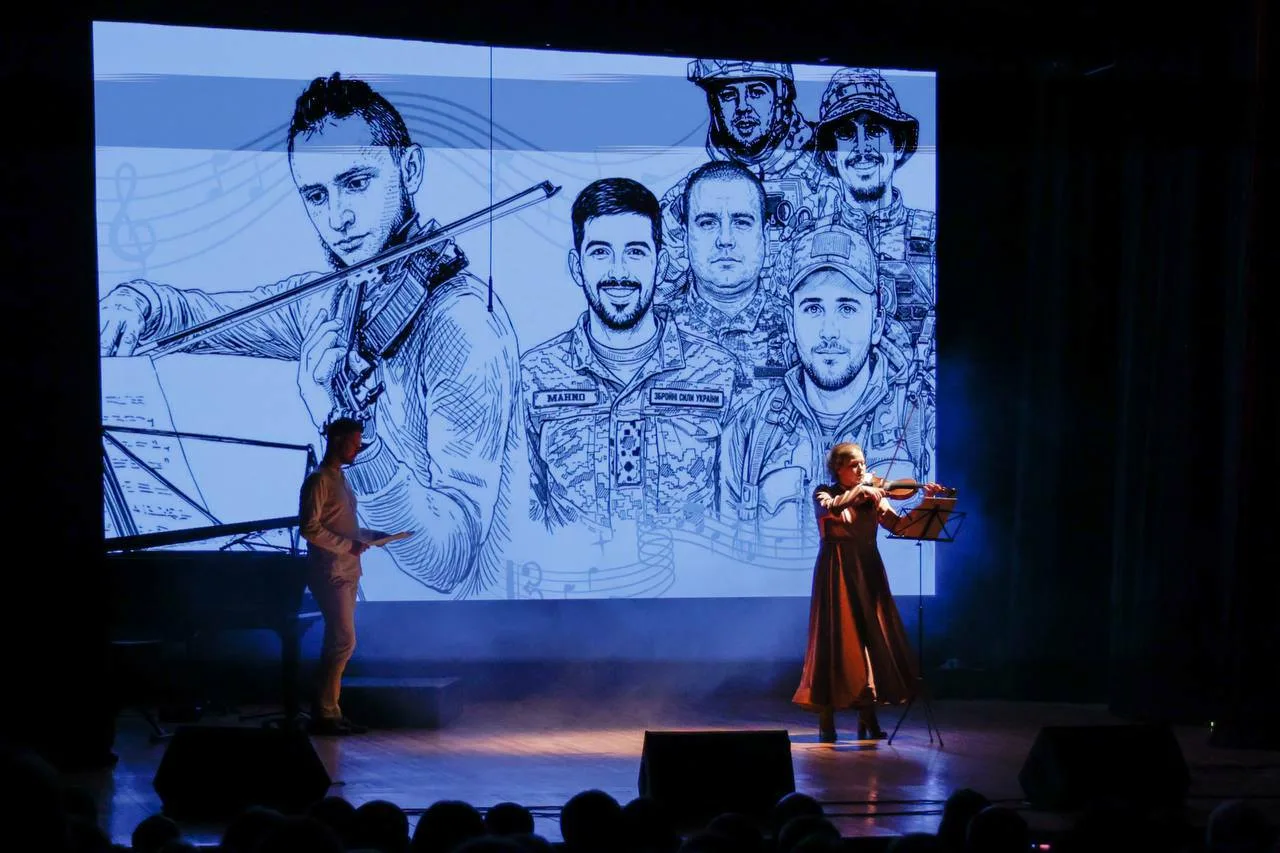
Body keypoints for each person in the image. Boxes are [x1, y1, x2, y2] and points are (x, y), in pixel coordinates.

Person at [97, 72, 520, 600]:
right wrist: (140, 302)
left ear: (410, 168)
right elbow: (215, 315)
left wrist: (356, 440)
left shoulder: (464, 321)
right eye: (317, 195)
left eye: (357, 183)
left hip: (445, 628)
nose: (338, 217)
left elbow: (449, 558)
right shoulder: (339, 298)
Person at [520, 177, 742, 533]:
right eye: (600, 252)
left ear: (661, 264)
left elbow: (737, 514)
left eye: (636, 252)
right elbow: (524, 517)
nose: (619, 272)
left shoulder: (719, 373)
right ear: (576, 266)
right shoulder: (532, 376)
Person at [793, 441, 946, 742]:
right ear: (838, 468)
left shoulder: (873, 494)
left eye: (863, 463)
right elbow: (832, 508)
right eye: (855, 465)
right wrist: (862, 491)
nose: (862, 469)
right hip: (836, 571)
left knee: (869, 637)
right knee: (834, 640)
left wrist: (926, 502)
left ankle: (867, 715)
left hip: (868, 568)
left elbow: (901, 526)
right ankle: (826, 718)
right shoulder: (823, 493)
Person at [298, 416, 405, 735]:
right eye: (354, 443)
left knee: (339, 641)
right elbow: (309, 528)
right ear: (338, 440)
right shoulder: (318, 480)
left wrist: (369, 536)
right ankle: (325, 713)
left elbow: (339, 524)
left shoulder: (341, 479)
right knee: (343, 640)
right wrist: (348, 545)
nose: (358, 449)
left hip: (346, 569)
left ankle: (329, 711)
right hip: (330, 570)